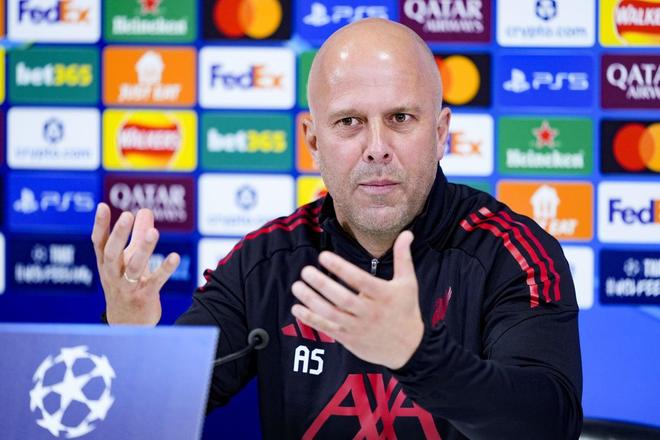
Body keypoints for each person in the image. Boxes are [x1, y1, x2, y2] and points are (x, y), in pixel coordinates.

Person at [92, 18, 582, 439]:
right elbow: (145, 418)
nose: (377, 147)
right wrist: (131, 338)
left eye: (401, 118)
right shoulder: (265, 263)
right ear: (313, 141)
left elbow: (548, 424)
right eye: (349, 121)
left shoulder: (511, 254)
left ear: (439, 134)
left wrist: (415, 355)